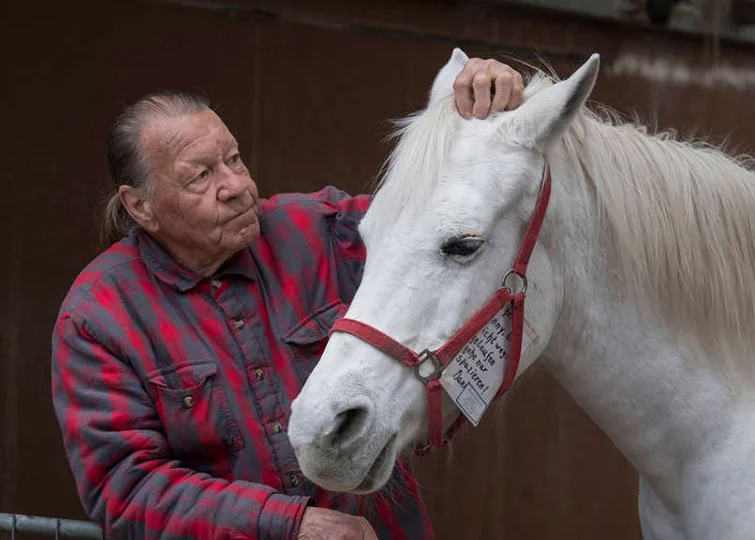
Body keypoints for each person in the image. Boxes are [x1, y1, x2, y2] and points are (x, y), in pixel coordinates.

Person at [50, 55, 525, 540]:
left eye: (234, 159)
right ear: (140, 206)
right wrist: (287, 526)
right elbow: (126, 489)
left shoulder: (319, 232)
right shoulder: (99, 317)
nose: (236, 187)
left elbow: (440, 232)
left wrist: (478, 98)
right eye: (201, 177)